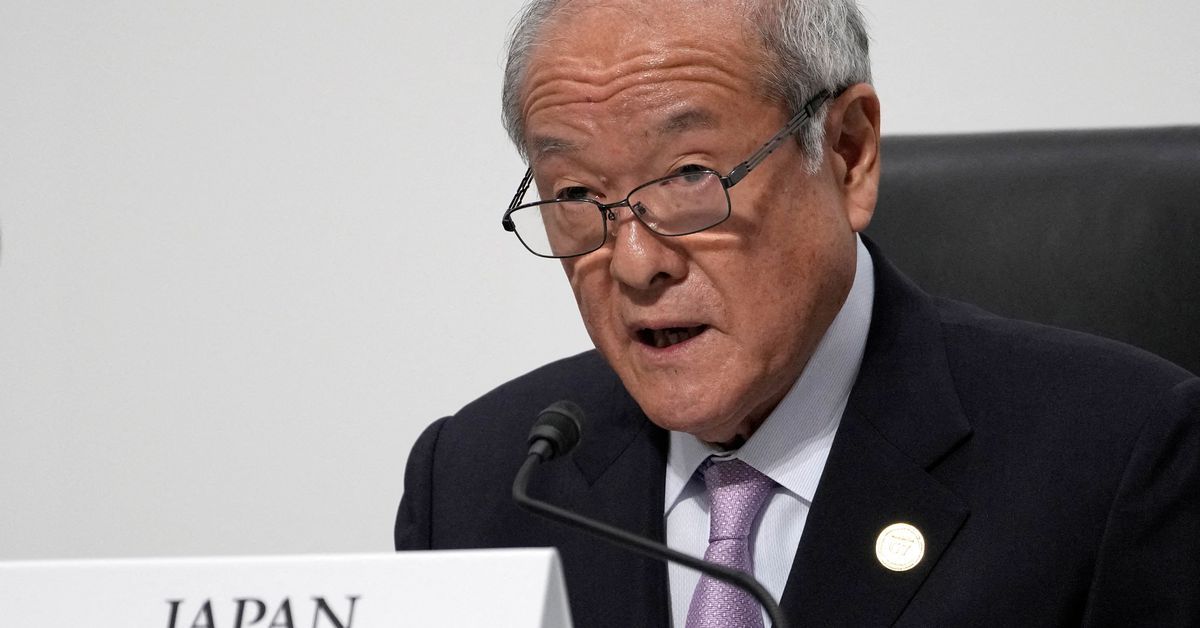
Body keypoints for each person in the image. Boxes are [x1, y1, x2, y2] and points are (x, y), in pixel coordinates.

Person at [395, 0, 1200, 625]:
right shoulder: (480, 483)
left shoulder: (1119, 456)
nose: (636, 263)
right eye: (575, 194)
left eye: (689, 176)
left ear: (848, 154)